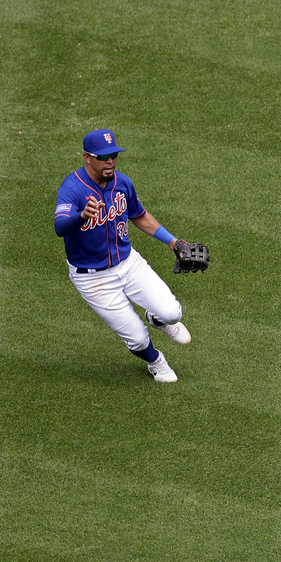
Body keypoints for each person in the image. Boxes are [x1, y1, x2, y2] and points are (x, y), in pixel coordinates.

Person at [53, 129, 197, 383]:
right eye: (103, 157)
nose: (110, 161)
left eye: (113, 156)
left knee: (172, 313)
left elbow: (139, 214)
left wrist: (173, 242)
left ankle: (157, 319)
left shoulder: (123, 183)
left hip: (129, 264)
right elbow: (59, 226)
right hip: (92, 278)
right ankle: (156, 361)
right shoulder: (72, 189)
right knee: (138, 338)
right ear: (87, 157)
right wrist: (81, 216)